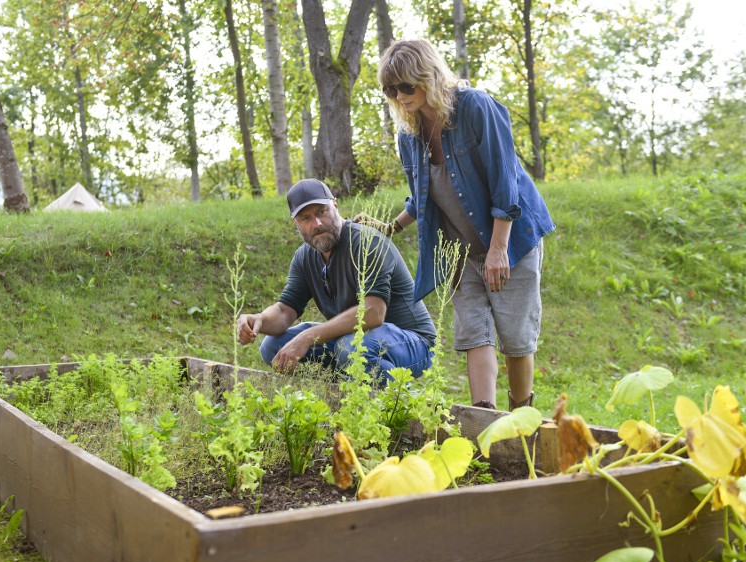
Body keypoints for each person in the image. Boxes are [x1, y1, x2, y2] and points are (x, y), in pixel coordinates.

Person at [359, 38, 555, 410]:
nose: (399, 96)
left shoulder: (476, 107)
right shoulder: (409, 137)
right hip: (461, 251)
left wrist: (499, 249)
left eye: (405, 85)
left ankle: (521, 420)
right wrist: (391, 227)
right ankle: (485, 422)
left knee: (515, 339)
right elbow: (423, 195)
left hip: (512, 241)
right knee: (475, 337)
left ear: (428, 76)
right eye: (390, 89)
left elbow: (505, 182)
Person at [236, 178, 436, 385]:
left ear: (335, 205)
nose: (317, 223)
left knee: (352, 350)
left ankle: (398, 405)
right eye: (306, 218)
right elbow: (285, 311)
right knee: (272, 346)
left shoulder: (366, 241)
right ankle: (331, 395)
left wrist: (308, 337)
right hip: (351, 340)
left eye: (322, 211)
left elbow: (373, 312)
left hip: (413, 342)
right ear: (295, 223)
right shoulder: (304, 257)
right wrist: (258, 319)